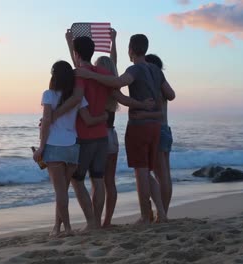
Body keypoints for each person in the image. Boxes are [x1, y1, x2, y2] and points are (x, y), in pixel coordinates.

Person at [76, 34, 174, 224]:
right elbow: (171, 94)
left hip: (139, 126)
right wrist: (153, 107)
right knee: (147, 172)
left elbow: (118, 83)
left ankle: (146, 216)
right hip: (156, 126)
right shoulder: (155, 69)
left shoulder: (134, 69)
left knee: (140, 172)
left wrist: (90, 74)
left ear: (130, 49)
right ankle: (161, 213)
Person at [63, 29, 155, 228]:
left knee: (81, 179)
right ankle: (103, 221)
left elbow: (77, 66)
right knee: (104, 181)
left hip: (90, 136)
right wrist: (113, 41)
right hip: (108, 136)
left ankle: (93, 222)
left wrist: (70, 42)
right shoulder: (108, 78)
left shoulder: (85, 75)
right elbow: (115, 75)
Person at [33, 60, 106, 236]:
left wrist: (41, 148)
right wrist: (104, 117)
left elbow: (46, 123)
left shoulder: (49, 95)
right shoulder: (77, 97)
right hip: (73, 146)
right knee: (63, 192)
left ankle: (67, 228)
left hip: (54, 146)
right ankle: (57, 227)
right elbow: (87, 119)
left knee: (60, 193)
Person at [131, 54, 176, 216]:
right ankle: (163, 212)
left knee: (160, 175)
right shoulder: (162, 84)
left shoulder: (152, 84)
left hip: (157, 129)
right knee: (165, 175)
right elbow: (171, 95)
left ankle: (161, 213)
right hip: (166, 129)